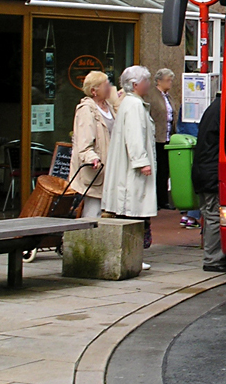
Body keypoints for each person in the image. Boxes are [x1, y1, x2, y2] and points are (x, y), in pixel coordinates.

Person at [102, 66, 157, 270]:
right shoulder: (133, 105)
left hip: (128, 168)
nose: (149, 84)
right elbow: (134, 137)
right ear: (135, 84)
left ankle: (131, 255)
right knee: (133, 211)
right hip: (131, 171)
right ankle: (132, 255)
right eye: (146, 81)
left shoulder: (130, 103)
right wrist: (141, 162)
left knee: (131, 211)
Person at [192, 91, 226, 273]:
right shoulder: (223, 111)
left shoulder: (213, 109)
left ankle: (216, 256)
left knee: (210, 213)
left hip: (203, 171)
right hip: (210, 173)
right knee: (214, 215)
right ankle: (213, 259)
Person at [69, 71, 115, 219]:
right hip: (96, 169)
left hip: (110, 167)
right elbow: (83, 143)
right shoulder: (86, 110)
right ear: (94, 91)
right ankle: (85, 239)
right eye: (105, 84)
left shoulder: (110, 107)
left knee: (105, 211)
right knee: (93, 210)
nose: (109, 87)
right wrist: (91, 158)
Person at [146, 68, 178, 211]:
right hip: (156, 137)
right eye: (168, 80)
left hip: (168, 137)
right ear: (159, 81)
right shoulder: (151, 96)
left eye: (171, 80)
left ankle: (163, 199)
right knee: (157, 169)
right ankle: (156, 200)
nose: (170, 83)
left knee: (165, 170)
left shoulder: (168, 96)